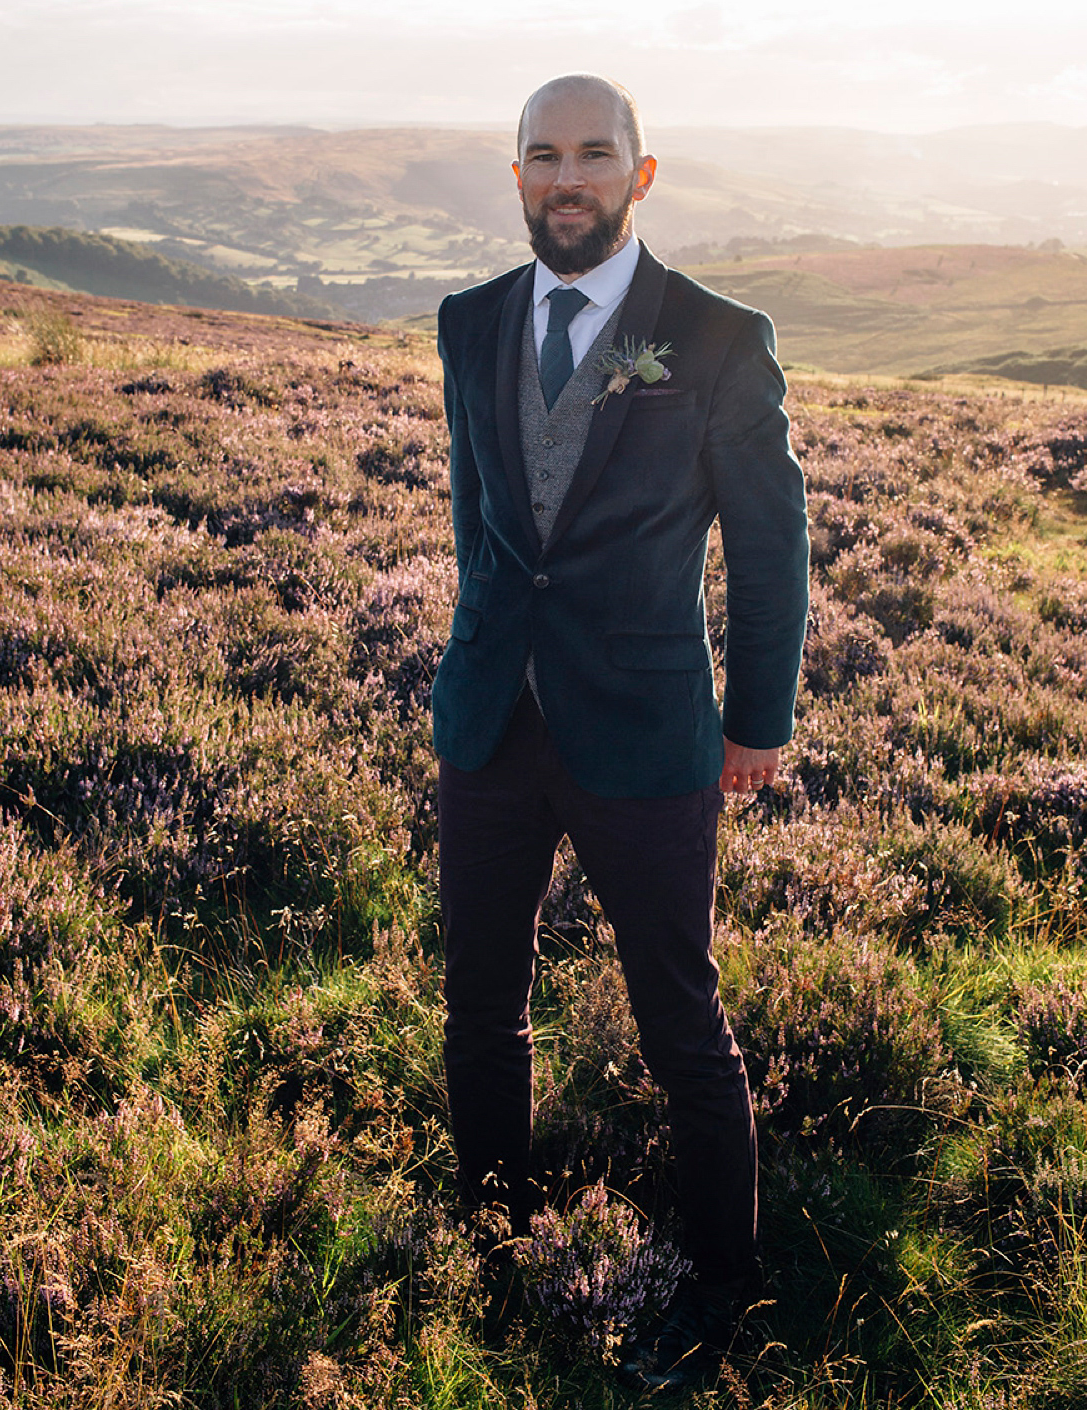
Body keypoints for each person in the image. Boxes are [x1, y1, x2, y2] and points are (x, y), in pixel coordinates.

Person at [431, 73, 809, 1388]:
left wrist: (757, 718)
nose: (568, 177)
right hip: (489, 724)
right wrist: (468, 663)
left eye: (595, 154)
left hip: (648, 729)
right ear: (518, 176)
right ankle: (492, 1243)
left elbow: (769, 548)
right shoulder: (468, 321)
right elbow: (484, 522)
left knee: (679, 1022)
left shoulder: (715, 338)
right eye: (545, 157)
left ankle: (727, 1290)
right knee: (480, 1003)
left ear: (641, 175)